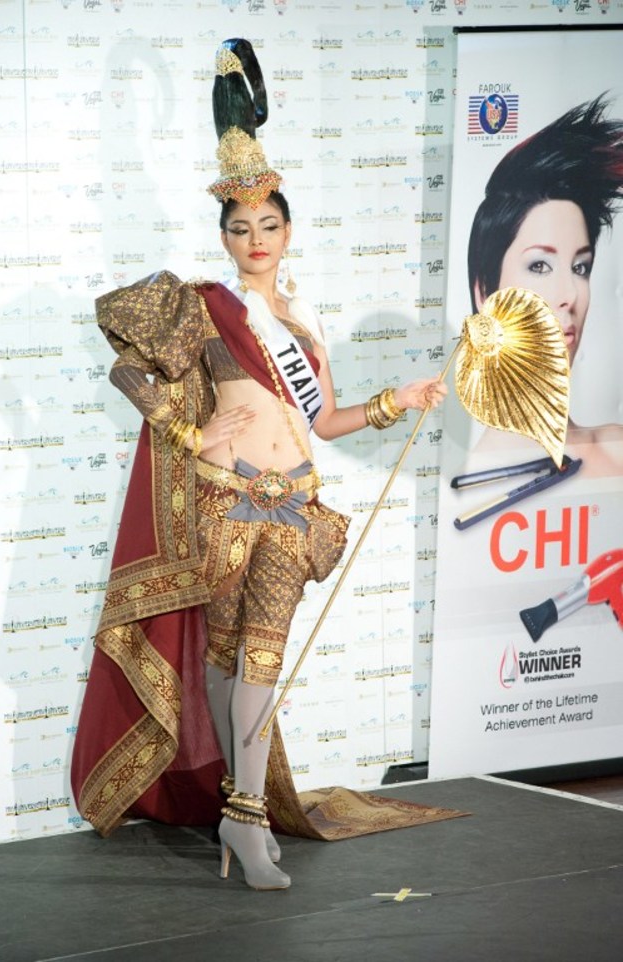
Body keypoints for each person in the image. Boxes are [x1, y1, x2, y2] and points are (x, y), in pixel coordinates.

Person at [71, 38, 448, 891]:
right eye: (240, 228)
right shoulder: (204, 306)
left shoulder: (304, 321)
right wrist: (183, 431)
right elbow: (125, 361)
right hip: (226, 509)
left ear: (289, 229)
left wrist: (401, 400)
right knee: (226, 663)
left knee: (261, 664)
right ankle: (237, 823)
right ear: (224, 235)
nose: (255, 239)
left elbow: (326, 421)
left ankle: (241, 822)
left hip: (295, 509)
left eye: (268, 225)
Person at [467, 96, 623, 476]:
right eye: (539, 265)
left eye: (580, 267)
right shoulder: (476, 478)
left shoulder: (615, 449)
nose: (569, 295)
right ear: (486, 293)